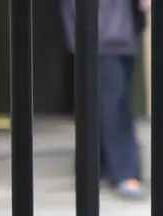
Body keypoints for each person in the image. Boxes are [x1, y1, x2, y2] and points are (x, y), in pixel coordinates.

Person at [60, 0, 150, 198]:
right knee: (114, 101)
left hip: (119, 30)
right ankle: (124, 171)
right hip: (103, 30)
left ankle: (96, 163)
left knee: (107, 97)